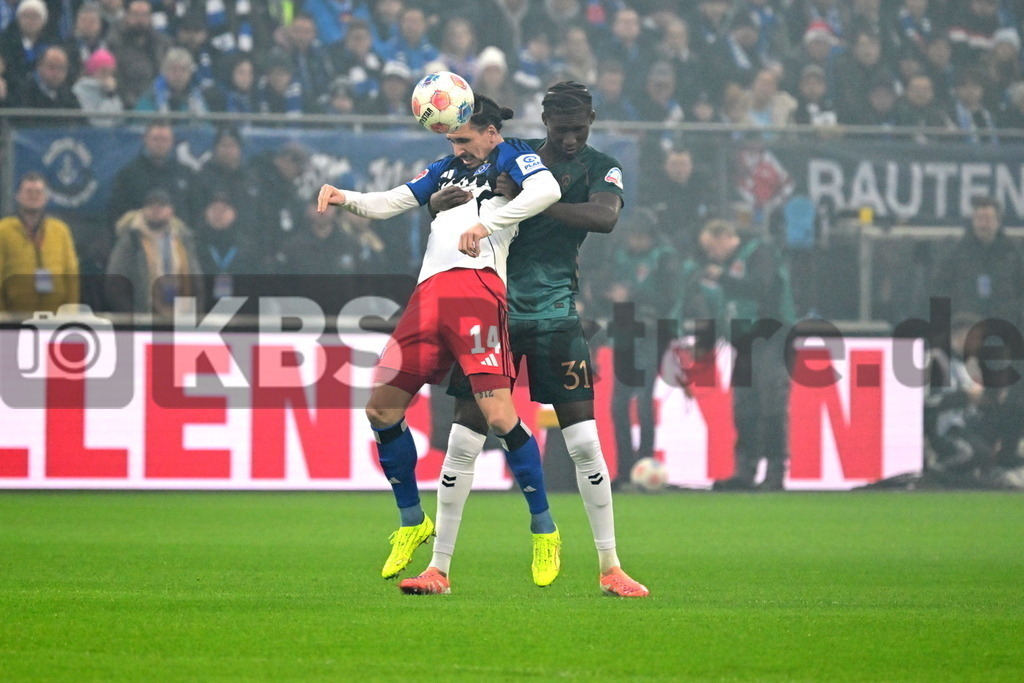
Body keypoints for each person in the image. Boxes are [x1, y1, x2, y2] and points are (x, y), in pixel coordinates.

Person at [316, 95, 563, 593]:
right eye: (451, 138)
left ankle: (544, 527)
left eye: (464, 137)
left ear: (492, 132)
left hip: (478, 291)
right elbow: (392, 200)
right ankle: (412, 521)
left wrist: (487, 222)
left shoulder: (513, 154)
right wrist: (345, 195)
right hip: (427, 295)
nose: (457, 146)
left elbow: (549, 191)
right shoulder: (444, 169)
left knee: (498, 417)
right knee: (381, 410)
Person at [415, 82, 649, 598]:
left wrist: (531, 203)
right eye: (561, 130)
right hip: (492, 314)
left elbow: (605, 217)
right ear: (545, 122)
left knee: (585, 444)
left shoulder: (599, 165)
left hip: (557, 316)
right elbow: (457, 217)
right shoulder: (509, 160)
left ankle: (611, 567)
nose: (569, 139)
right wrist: (437, 206)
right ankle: (438, 568)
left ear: (590, 119)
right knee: (463, 439)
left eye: (578, 129)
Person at [678, 219, 796, 491]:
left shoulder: (759, 252)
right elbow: (725, 311)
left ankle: (775, 472)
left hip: (771, 335)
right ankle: (745, 471)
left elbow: (761, 288)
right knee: (745, 407)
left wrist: (724, 279)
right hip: (744, 341)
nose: (711, 255)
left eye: (711, 248)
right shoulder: (729, 268)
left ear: (724, 237)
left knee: (771, 403)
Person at [105, 188, 204, 316]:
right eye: (151, 206)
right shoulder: (131, 240)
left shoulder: (183, 239)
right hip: (144, 317)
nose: (156, 210)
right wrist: (132, 316)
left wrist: (196, 312)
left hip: (181, 316)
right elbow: (115, 282)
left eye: (161, 206)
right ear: (143, 210)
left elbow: (196, 280)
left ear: (171, 211)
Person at [933, 195, 1024, 327]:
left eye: (988, 219)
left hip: (1005, 327)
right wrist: (955, 314)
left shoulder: (1013, 254)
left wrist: (1015, 312)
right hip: (966, 328)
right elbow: (941, 288)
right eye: (979, 219)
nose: (983, 224)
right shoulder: (957, 254)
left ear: (998, 222)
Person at [0, 172, 79, 313]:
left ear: (46, 197)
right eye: (28, 191)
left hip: (55, 317)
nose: (33, 196)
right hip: (14, 317)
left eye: (38, 192)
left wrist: (71, 313)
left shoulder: (60, 230)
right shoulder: (4, 230)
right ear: (18, 196)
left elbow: (71, 275)